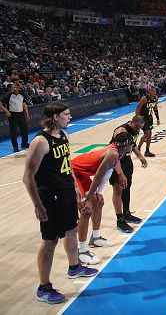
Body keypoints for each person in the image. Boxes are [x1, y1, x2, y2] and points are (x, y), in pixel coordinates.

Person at [22, 102, 98, 305]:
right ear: (55, 117)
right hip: (50, 198)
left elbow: (67, 166)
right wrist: (38, 205)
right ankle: (43, 287)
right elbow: (28, 177)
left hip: (65, 193)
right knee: (50, 242)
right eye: (66, 114)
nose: (70, 117)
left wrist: (75, 188)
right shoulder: (41, 141)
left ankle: (74, 267)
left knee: (72, 230)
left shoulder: (62, 136)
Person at [71, 133, 134, 264]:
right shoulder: (113, 154)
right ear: (126, 145)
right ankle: (81, 250)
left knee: (98, 204)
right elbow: (99, 176)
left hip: (83, 174)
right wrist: (88, 199)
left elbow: (108, 172)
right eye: (131, 143)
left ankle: (95, 237)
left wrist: (99, 193)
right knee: (86, 210)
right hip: (73, 174)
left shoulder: (117, 152)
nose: (132, 145)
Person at [109, 116, 148, 233]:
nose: (138, 129)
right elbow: (115, 152)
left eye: (140, 128)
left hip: (127, 161)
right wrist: (120, 173)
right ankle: (119, 220)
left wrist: (140, 156)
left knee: (126, 187)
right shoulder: (121, 131)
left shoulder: (134, 131)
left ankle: (126, 213)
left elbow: (133, 144)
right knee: (117, 190)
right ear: (131, 122)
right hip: (116, 161)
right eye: (136, 126)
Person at [1, 83, 30, 152]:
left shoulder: (22, 94)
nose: (15, 89)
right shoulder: (7, 96)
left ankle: (24, 143)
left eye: (16, 87)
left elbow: (24, 104)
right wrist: (6, 111)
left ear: (19, 88)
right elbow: (0, 104)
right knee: (13, 132)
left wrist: (27, 114)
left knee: (24, 130)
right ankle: (15, 147)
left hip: (21, 114)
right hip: (13, 115)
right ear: (11, 88)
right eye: (13, 87)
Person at [136, 87, 160, 157]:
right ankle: (138, 148)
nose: (154, 92)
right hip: (143, 118)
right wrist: (137, 119)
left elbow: (155, 109)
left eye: (155, 91)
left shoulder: (155, 98)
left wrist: (158, 118)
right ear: (149, 91)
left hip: (150, 118)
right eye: (153, 91)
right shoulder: (144, 98)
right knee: (146, 133)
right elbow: (138, 108)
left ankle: (147, 151)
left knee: (150, 134)